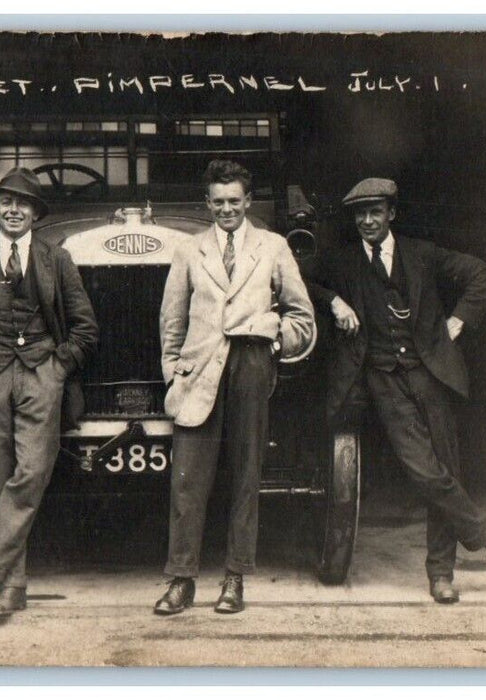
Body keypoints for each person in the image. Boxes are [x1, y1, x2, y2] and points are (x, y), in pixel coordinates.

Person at [313, 177, 486, 604]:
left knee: (446, 468)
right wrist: (334, 301)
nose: (367, 221)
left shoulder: (423, 254)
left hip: (430, 372)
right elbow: (297, 277)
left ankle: (441, 574)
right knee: (424, 471)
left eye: (375, 212)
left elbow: (481, 274)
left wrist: (457, 323)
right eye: (360, 214)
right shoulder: (345, 261)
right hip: (382, 377)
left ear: (392, 214)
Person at [154, 160, 315, 615]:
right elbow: (172, 321)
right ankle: (180, 581)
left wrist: (274, 338)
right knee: (187, 481)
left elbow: (303, 316)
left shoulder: (273, 247)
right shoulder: (189, 250)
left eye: (234, 200)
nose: (226, 209)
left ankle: (234, 579)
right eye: (218, 201)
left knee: (245, 476)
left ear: (248, 201)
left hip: (250, 366)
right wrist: (173, 374)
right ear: (207, 204)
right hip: (198, 372)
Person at [0, 167, 98, 617]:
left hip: (41, 372)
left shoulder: (57, 260)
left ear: (35, 214)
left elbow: (85, 327)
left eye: (23, 204)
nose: (14, 210)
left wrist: (58, 366)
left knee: (30, 472)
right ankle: (13, 587)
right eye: (6, 202)